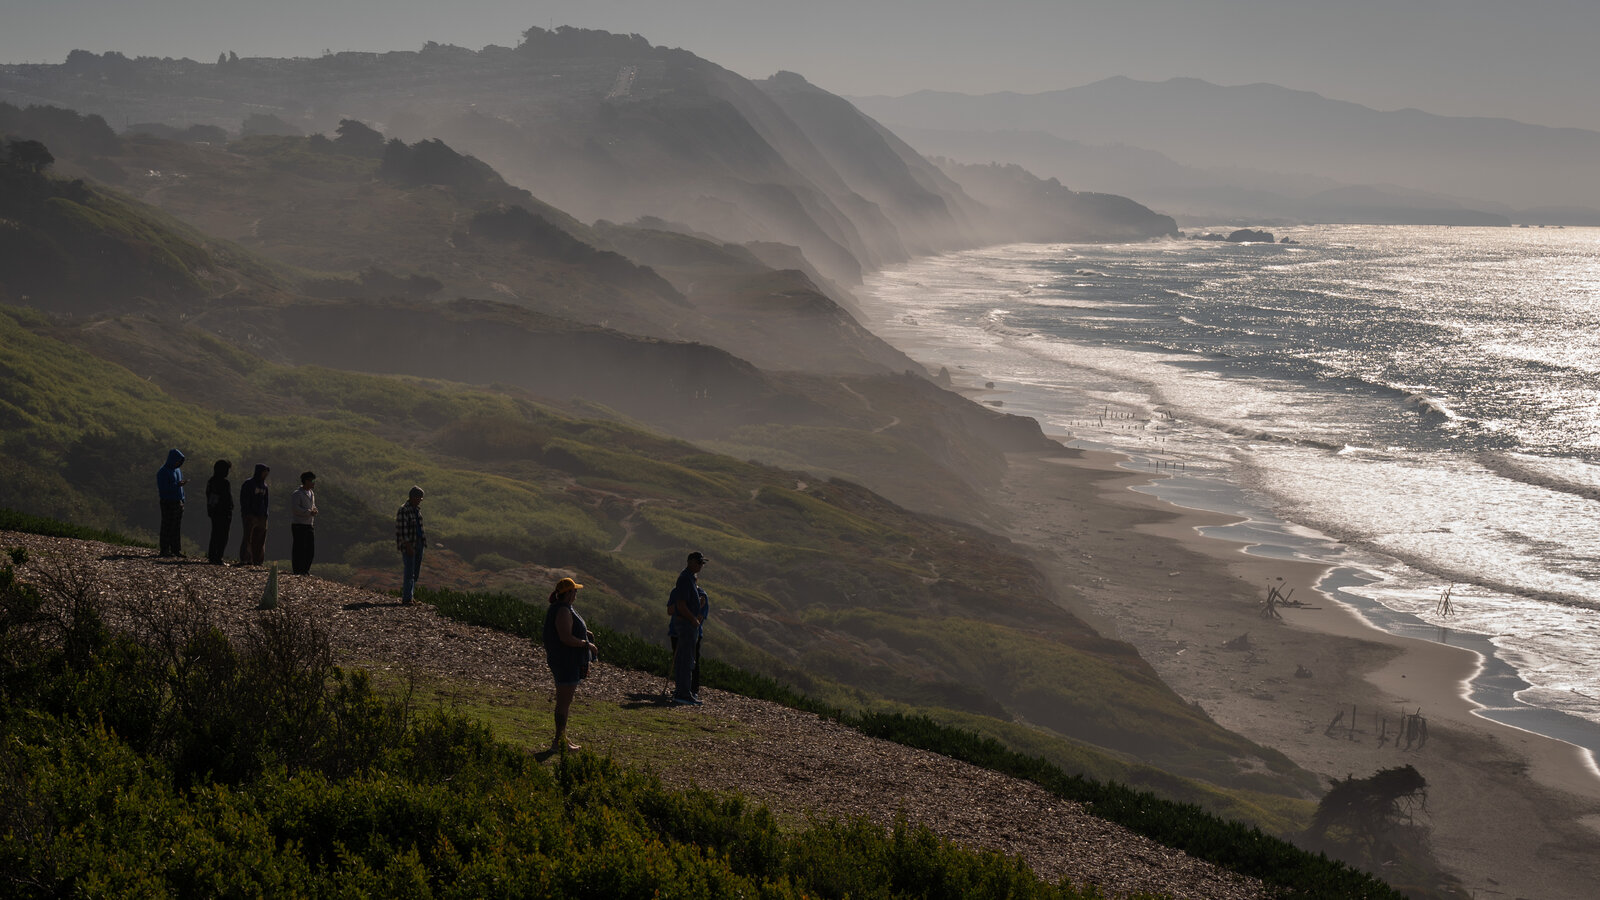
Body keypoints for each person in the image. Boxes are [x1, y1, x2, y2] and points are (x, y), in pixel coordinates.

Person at [542, 576, 597, 751]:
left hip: (566, 660)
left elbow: (569, 629)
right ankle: (558, 742)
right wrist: (587, 644)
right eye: (575, 590)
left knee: (564, 702)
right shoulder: (563, 611)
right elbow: (565, 637)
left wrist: (586, 633)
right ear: (569, 593)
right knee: (563, 702)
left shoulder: (564, 608)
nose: (576, 593)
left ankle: (563, 738)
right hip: (566, 661)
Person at [667, 550, 710, 705]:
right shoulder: (685, 579)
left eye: (702, 563)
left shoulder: (689, 579)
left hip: (685, 624)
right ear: (690, 561)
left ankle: (684, 691)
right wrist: (693, 620)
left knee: (685, 659)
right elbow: (681, 605)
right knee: (686, 659)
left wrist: (697, 603)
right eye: (699, 562)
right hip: (686, 625)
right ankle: (683, 694)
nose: (701, 566)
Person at [395, 486, 426, 604]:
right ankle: (407, 598)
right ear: (413, 497)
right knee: (409, 571)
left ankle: (410, 596)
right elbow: (402, 531)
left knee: (415, 572)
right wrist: (408, 546)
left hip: (418, 543)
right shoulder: (404, 510)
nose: (420, 500)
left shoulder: (416, 510)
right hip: (410, 544)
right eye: (419, 498)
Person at [155, 449, 188, 557]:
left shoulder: (177, 470)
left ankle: (175, 549)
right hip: (168, 502)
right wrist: (177, 485)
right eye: (178, 461)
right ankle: (164, 549)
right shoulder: (163, 472)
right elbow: (163, 489)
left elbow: (179, 487)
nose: (178, 463)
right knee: (167, 526)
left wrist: (182, 499)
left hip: (178, 501)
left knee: (176, 527)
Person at [238, 464, 270, 565]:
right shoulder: (249, 483)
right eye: (264, 472)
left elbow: (266, 501)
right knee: (248, 538)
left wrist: (265, 513)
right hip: (250, 515)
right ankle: (245, 558)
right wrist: (247, 513)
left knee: (260, 538)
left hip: (262, 516)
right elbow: (244, 500)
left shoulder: (264, 486)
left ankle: (258, 560)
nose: (266, 474)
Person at [204, 459, 233, 565]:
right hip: (224, 513)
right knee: (223, 536)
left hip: (214, 512)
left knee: (215, 534)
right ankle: (218, 557)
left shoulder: (211, 481)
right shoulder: (225, 483)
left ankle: (212, 556)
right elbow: (227, 499)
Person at [290, 471, 318, 575]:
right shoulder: (297, 494)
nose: (314, 483)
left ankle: (305, 569)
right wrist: (308, 512)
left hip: (309, 524)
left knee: (310, 549)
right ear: (306, 481)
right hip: (299, 524)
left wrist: (314, 510)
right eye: (312, 481)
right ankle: (298, 570)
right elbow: (295, 509)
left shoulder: (311, 493)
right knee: (299, 548)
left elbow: (312, 505)